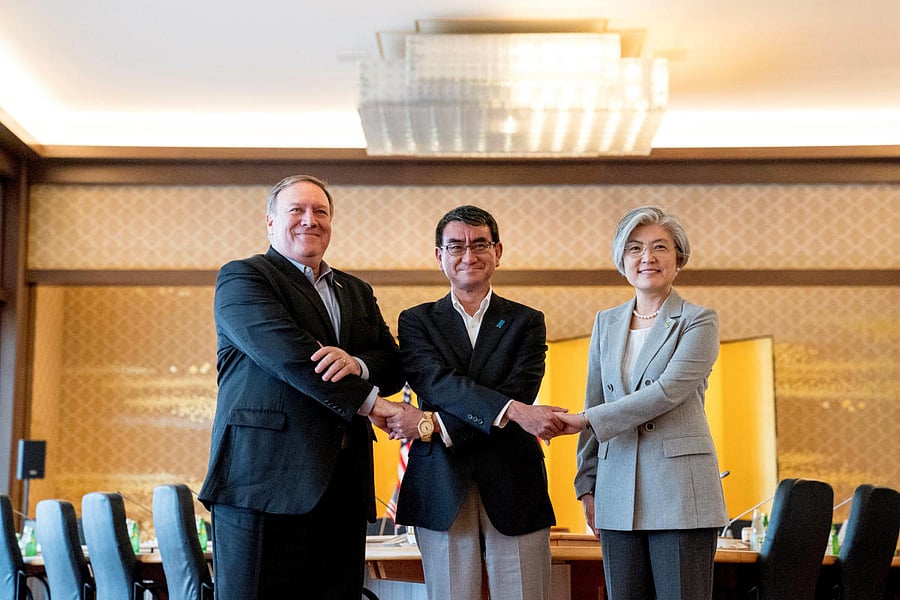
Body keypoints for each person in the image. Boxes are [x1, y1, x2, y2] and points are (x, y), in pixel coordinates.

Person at [198, 174, 405, 599]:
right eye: (297, 209)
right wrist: (373, 404)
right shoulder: (243, 278)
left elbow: (392, 363)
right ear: (271, 222)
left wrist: (358, 364)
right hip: (261, 485)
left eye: (320, 211)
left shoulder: (356, 291)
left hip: (343, 488)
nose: (310, 219)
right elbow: (289, 355)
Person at [387, 205, 569, 600]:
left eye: (480, 244)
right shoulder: (416, 320)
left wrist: (433, 424)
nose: (468, 255)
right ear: (440, 256)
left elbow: (520, 388)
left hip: (514, 480)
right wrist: (513, 411)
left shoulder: (526, 321)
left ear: (497, 252)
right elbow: (435, 383)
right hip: (440, 480)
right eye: (456, 246)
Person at [558, 205, 728, 600]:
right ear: (622, 260)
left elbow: (666, 392)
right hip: (616, 492)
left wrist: (584, 420)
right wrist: (587, 484)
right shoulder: (606, 322)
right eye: (634, 248)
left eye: (659, 247)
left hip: (680, 495)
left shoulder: (698, 320)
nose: (647, 257)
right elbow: (595, 397)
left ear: (679, 258)